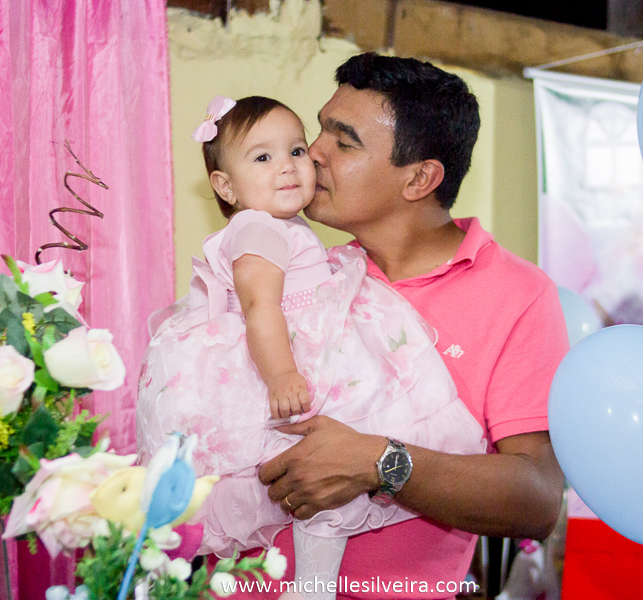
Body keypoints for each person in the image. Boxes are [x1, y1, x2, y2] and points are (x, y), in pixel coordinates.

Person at [135, 95, 486, 600]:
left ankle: (311, 584)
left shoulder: (280, 226)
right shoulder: (256, 229)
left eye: (296, 151)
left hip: (305, 351)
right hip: (287, 359)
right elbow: (260, 308)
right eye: (263, 157)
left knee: (326, 470)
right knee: (316, 465)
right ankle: (312, 585)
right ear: (225, 186)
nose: (288, 166)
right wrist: (281, 375)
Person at [247, 53, 570, 599]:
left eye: (343, 141)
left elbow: (536, 498)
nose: (313, 152)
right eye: (320, 129)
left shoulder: (516, 294)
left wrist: (380, 462)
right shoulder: (311, 273)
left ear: (420, 178)